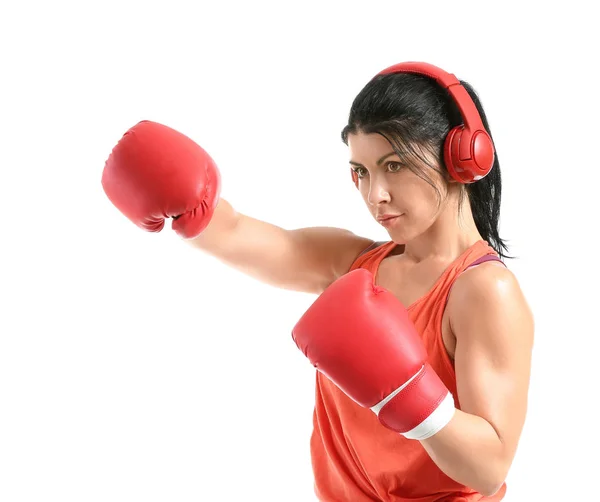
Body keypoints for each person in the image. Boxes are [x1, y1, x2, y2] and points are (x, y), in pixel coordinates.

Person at [101, 62, 534, 501]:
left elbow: (488, 466)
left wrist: (410, 396)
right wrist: (185, 203)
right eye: (361, 172)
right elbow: (236, 234)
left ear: (460, 157)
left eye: (395, 165)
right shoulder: (356, 263)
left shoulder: (483, 291)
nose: (374, 195)